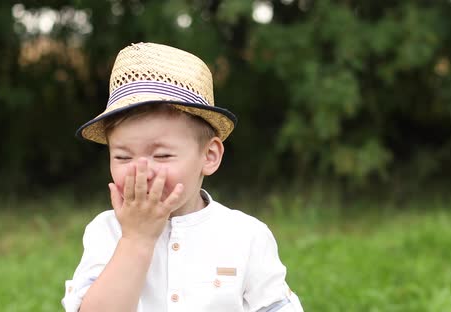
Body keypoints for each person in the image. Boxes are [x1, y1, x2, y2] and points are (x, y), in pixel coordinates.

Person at [61, 42, 303, 312]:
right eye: (123, 157)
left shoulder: (246, 236)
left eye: (162, 156)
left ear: (209, 156)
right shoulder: (106, 231)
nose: (141, 171)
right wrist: (136, 240)